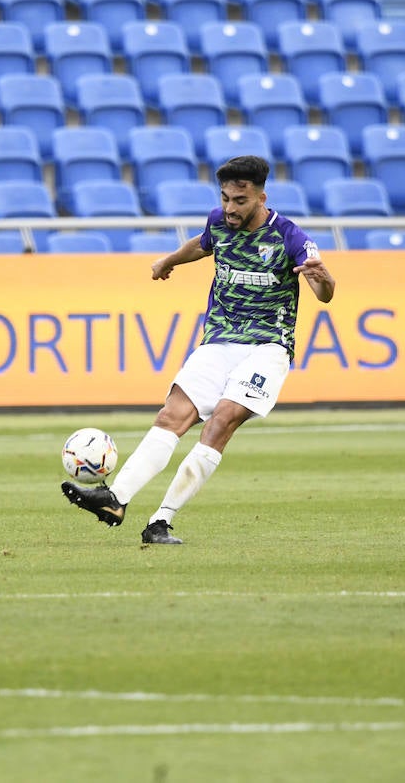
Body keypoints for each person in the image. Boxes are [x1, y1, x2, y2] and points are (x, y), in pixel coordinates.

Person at [61, 155, 336, 544]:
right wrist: (168, 260)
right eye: (225, 198)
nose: (230, 208)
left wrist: (324, 281)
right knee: (172, 415)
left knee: (221, 419)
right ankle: (115, 498)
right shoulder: (219, 222)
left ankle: (161, 520)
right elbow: (203, 244)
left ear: (261, 197)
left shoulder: (290, 237)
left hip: (267, 347)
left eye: (239, 200)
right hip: (219, 340)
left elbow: (322, 293)